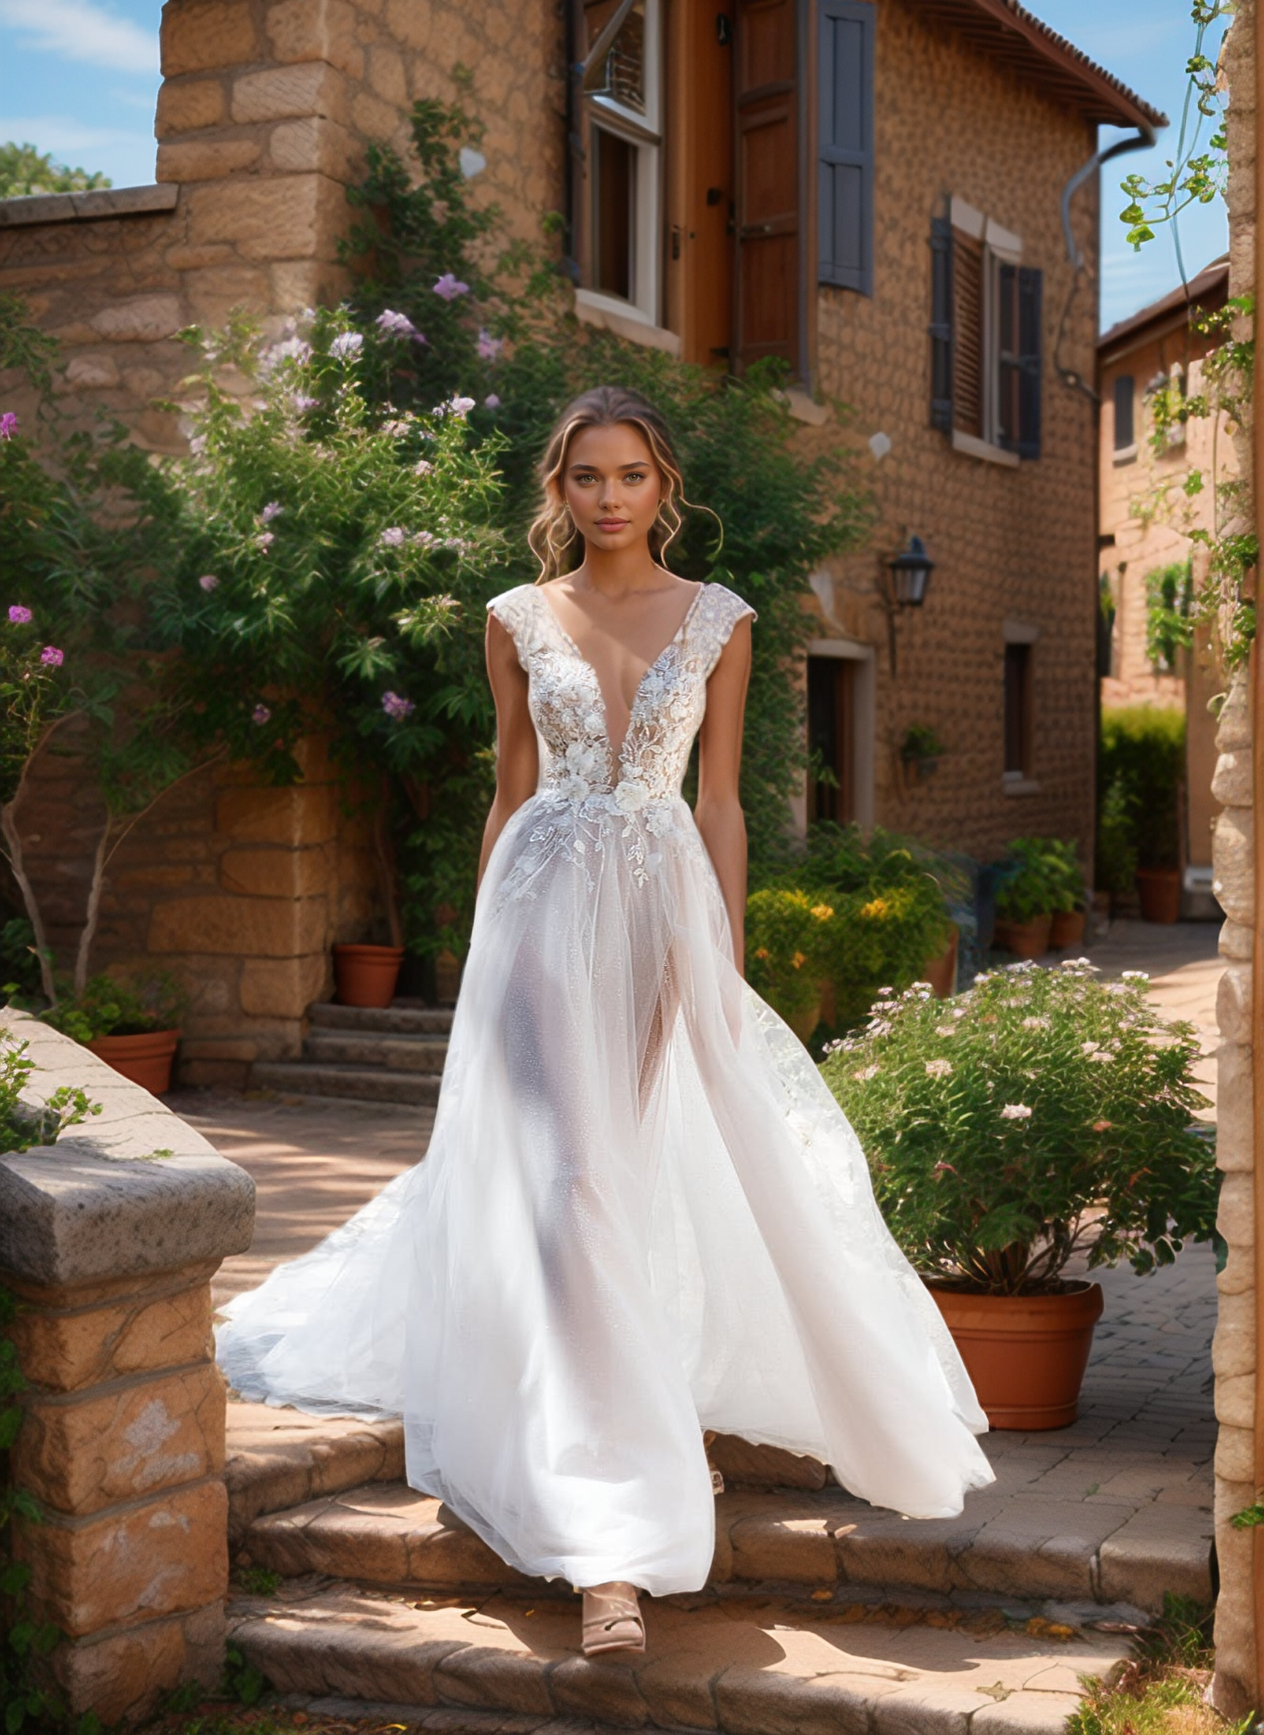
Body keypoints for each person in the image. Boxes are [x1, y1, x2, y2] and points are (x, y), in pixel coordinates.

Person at [215, 384, 994, 1659]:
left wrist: (723, 964)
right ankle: (611, 1546)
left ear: (662, 485)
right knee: (569, 1177)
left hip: (660, 916)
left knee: (619, 1173)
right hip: (536, 914)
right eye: (588, 477)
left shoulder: (723, 621)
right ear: (559, 490)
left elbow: (725, 804)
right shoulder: (517, 618)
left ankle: (620, 1400)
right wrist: (481, 947)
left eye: (630, 475)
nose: (610, 496)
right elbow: (510, 787)